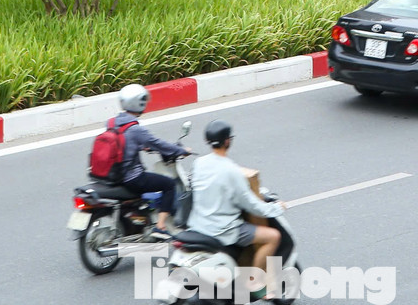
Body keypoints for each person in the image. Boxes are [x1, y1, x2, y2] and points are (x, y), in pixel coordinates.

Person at [188, 120, 287, 300]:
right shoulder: (231, 170)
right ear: (227, 141)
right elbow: (251, 205)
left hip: (197, 224)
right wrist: (275, 208)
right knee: (273, 236)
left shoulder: (199, 163)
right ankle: (254, 281)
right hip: (223, 229)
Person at [112, 85, 189, 234]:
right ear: (138, 102)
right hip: (131, 177)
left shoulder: (113, 123)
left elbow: (122, 143)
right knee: (169, 185)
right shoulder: (136, 129)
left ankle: (142, 220)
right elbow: (158, 144)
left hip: (114, 174)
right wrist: (181, 150)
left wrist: (141, 146)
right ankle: (161, 225)